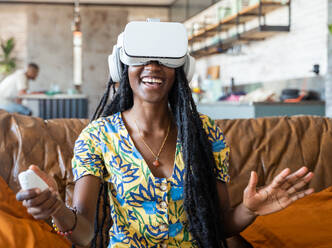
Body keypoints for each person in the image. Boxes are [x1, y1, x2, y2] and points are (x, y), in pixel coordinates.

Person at [16, 21, 314, 248]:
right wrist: (55, 208)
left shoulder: (205, 132)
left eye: (164, 58)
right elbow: (84, 232)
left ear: (183, 67)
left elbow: (218, 225)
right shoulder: (97, 137)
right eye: (141, 57)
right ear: (121, 66)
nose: (153, 66)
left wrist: (249, 209)